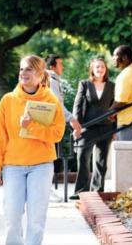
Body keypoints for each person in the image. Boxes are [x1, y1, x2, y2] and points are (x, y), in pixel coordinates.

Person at [0, 55, 65, 245]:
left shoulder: (51, 100)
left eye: (28, 69)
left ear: (40, 74)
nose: (23, 73)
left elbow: (57, 134)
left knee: (36, 220)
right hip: (13, 166)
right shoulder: (8, 101)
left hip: (41, 166)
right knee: (12, 219)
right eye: (21, 69)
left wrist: (31, 127)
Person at [69, 58, 115, 200]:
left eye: (102, 67)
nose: (100, 69)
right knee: (83, 158)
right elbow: (77, 105)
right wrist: (76, 126)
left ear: (106, 69)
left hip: (106, 127)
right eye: (97, 67)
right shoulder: (85, 84)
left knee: (101, 161)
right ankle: (81, 191)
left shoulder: (112, 86)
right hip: (87, 127)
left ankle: (97, 190)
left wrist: (115, 129)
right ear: (92, 69)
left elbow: (116, 108)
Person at [45, 54, 82, 202]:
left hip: (49, 125)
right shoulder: (50, 80)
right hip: (48, 125)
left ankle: (45, 191)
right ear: (52, 67)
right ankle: (46, 192)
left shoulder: (51, 79)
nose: (63, 67)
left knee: (50, 159)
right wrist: (71, 119)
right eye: (60, 64)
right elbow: (56, 104)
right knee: (48, 159)